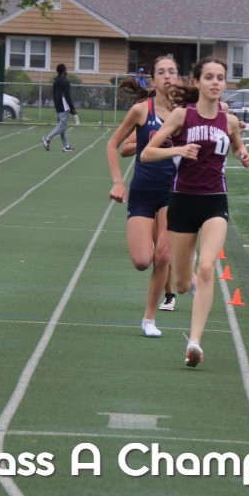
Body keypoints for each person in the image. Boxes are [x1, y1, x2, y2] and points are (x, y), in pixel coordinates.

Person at [140, 57, 249, 367]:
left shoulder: (229, 121)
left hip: (215, 202)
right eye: (209, 77)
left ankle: (194, 342)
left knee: (206, 268)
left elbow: (238, 147)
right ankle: (185, 281)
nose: (216, 82)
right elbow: (147, 153)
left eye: (220, 77)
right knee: (180, 284)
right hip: (182, 202)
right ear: (197, 82)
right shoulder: (182, 116)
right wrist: (178, 149)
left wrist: (245, 155)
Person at [107, 56, 182, 337]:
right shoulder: (141, 111)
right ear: (153, 80)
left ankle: (149, 319)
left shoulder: (185, 113)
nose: (167, 76)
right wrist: (118, 182)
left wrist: (233, 126)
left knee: (163, 257)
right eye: (161, 72)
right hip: (142, 192)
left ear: (178, 78)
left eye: (172, 71)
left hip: (173, 193)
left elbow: (217, 111)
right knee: (142, 261)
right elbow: (113, 145)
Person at [41, 63, 77, 152]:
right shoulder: (65, 81)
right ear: (64, 70)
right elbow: (67, 96)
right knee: (62, 125)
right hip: (64, 105)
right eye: (66, 69)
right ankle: (47, 139)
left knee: (62, 126)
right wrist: (72, 108)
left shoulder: (56, 81)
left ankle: (66, 146)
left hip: (58, 105)